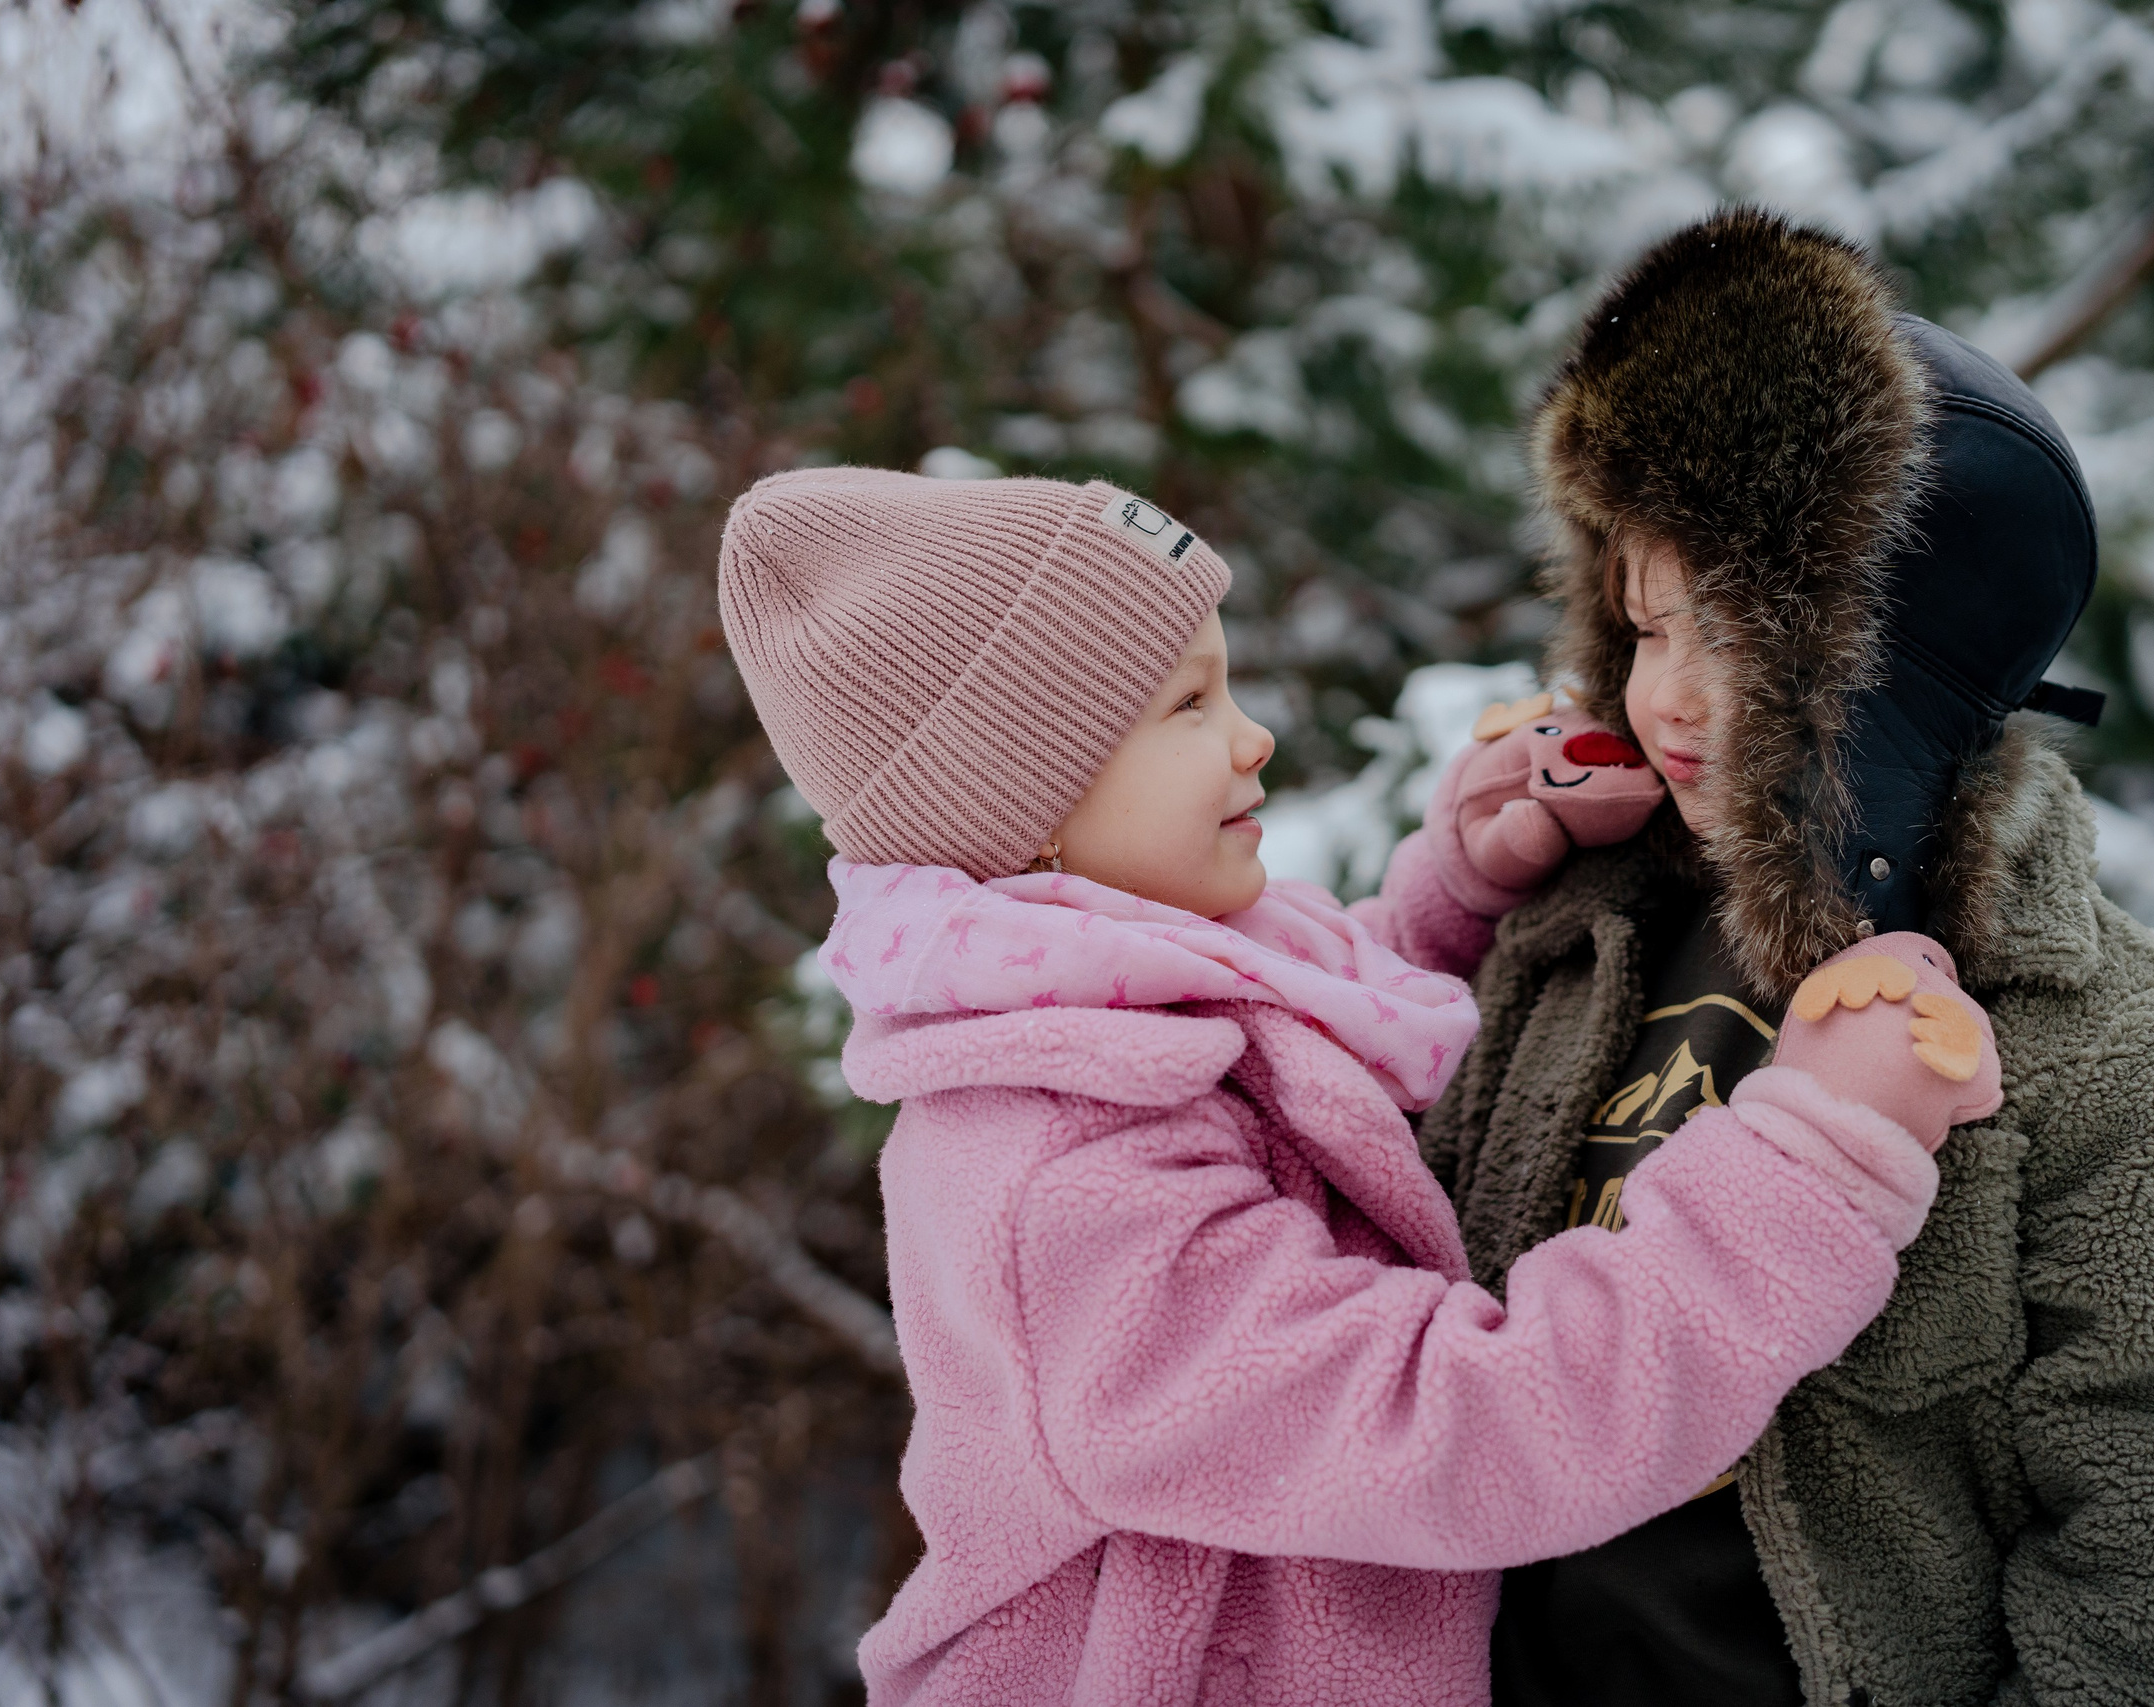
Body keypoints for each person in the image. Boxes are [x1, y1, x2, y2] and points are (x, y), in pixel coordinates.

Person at [715, 465, 2007, 1706]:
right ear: (1030, 800)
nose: (1252, 736)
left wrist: (1473, 886)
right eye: (1188, 708)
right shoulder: (1061, 1186)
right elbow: (1475, 1427)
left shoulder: (1115, 981)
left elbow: (1304, 1055)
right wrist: (1818, 1157)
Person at [1397, 207, 2154, 1707]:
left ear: (1880, 659)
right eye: (1641, 627)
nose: (1666, 697)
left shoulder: (2108, 1040)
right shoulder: (1576, 931)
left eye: (1731, 634)